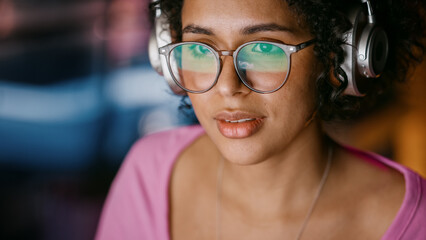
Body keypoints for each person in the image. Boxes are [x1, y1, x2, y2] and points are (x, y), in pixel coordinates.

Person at [96, 0, 426, 239]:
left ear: (339, 54)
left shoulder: (415, 223)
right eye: (199, 49)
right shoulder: (149, 171)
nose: (227, 86)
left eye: (264, 50)